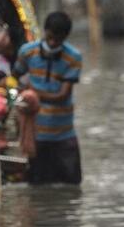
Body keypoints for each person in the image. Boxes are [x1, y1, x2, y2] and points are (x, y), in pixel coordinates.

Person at [12, 11, 82, 185]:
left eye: (57, 40)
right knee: (37, 185)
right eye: (50, 37)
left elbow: (62, 95)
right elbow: (15, 78)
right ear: (44, 31)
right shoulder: (27, 52)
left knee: (71, 185)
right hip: (36, 133)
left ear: (65, 37)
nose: (52, 43)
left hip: (63, 132)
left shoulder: (73, 57)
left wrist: (32, 91)